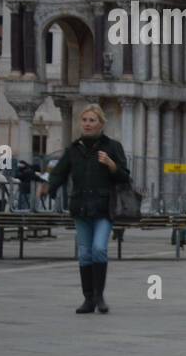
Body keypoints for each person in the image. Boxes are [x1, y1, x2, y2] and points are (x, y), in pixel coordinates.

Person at [43, 104, 131, 315]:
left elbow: (125, 176)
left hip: (103, 207)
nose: (87, 124)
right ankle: (88, 298)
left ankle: (100, 296)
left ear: (101, 124)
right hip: (81, 207)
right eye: (84, 120)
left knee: (99, 249)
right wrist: (48, 187)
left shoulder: (112, 147)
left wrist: (111, 165)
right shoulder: (74, 149)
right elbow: (60, 172)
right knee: (84, 254)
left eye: (92, 120)